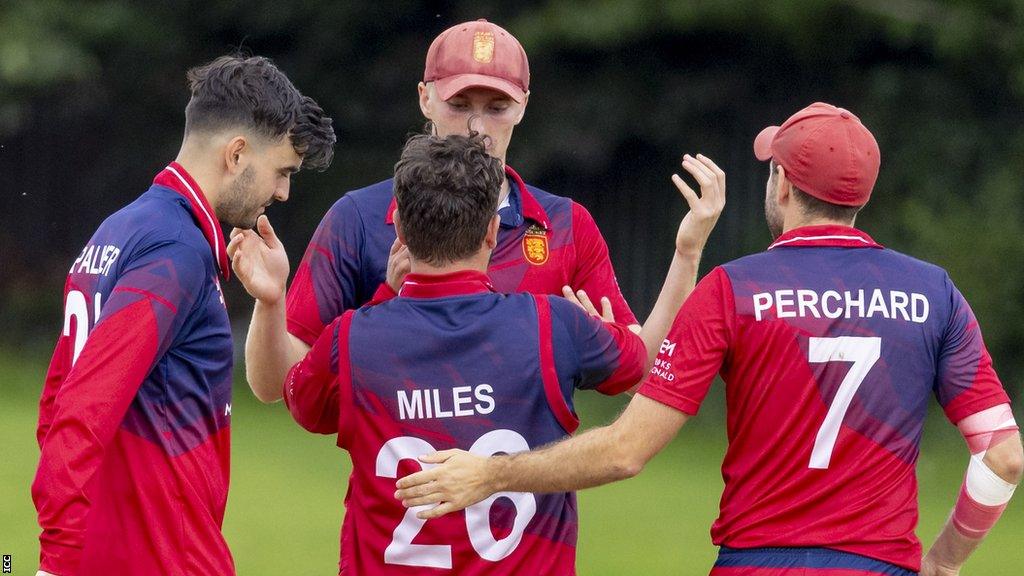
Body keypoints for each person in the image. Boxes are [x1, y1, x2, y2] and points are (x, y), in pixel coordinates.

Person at [394, 103, 1023, 576]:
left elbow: (625, 451)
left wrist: (492, 474)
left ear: (780, 181)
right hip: (882, 563)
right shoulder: (935, 294)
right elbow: (1002, 457)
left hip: (757, 561)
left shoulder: (732, 290)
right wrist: (943, 561)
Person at [266, 131, 722, 574]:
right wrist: (687, 251)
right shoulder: (555, 324)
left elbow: (300, 403)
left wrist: (384, 297)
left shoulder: (350, 339)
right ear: (491, 230)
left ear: (399, 229)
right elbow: (648, 360)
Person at [241, 19, 697, 404]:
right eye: (459, 105)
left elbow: (639, 365)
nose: (477, 127)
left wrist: (686, 253)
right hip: (400, 503)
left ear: (523, 106)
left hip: (526, 504)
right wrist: (271, 302)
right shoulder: (357, 218)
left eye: (497, 107)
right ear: (425, 98)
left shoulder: (565, 225)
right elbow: (277, 386)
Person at [31, 55, 335, 576]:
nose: (283, 192)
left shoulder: (121, 228)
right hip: (164, 559)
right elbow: (81, 406)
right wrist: (58, 561)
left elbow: (54, 403)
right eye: (281, 171)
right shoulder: (175, 250)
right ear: (237, 154)